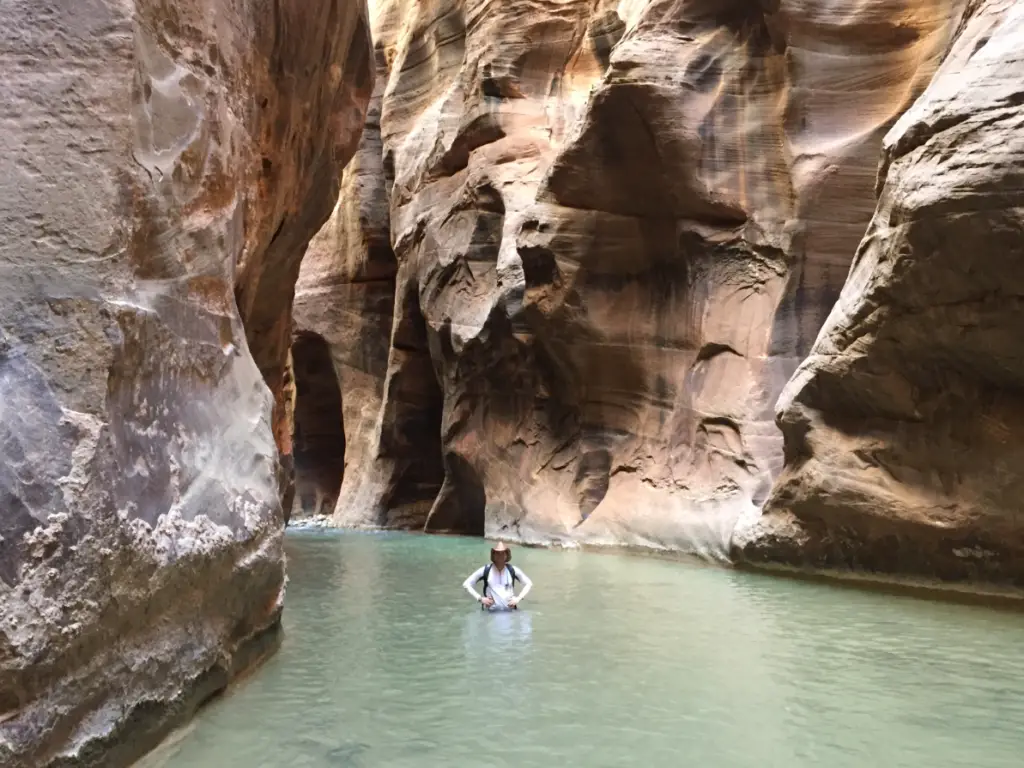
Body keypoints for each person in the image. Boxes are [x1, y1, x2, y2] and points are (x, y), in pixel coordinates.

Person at [462, 541, 532, 611]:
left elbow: (529, 583)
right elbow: (466, 584)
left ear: (506, 555)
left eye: (502, 553)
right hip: (490, 613)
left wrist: (518, 598)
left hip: (510, 612)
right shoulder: (486, 570)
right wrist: (480, 598)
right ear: (494, 555)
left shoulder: (512, 570)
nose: (500, 556)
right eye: (497, 553)